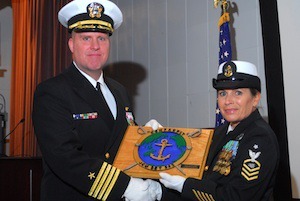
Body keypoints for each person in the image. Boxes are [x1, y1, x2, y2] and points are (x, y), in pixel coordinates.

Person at [32, 0, 162, 200]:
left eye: (101, 38)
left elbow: (120, 144)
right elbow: (65, 157)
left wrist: (146, 139)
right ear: (71, 45)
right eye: (86, 38)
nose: (95, 46)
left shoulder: (119, 90)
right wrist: (124, 187)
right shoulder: (52, 92)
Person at [157, 61, 280, 201]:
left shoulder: (259, 138)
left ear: (255, 98)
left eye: (238, 93)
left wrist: (185, 185)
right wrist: (158, 192)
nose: (228, 101)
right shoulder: (219, 133)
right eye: (222, 93)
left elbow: (238, 197)